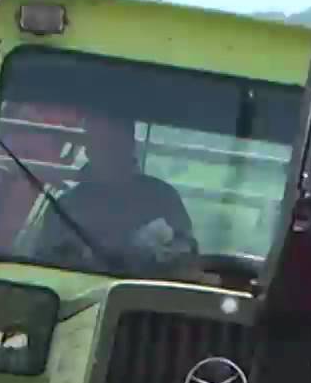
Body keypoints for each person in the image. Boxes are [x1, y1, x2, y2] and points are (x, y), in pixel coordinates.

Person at [27, 109, 195, 275]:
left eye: (114, 144)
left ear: (130, 145)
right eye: (101, 143)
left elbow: (187, 256)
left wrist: (155, 253)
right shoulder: (65, 208)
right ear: (88, 149)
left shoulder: (163, 199)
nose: (109, 153)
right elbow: (43, 266)